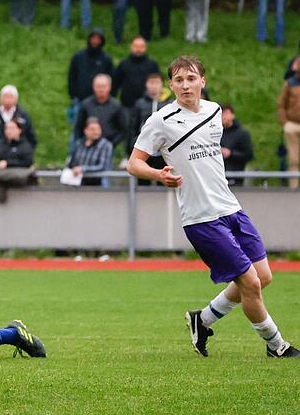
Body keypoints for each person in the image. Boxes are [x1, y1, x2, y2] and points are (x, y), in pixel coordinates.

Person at [128, 55, 299, 358]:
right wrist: (158, 174)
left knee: (264, 276)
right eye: (179, 80)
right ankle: (277, 346)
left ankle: (202, 319)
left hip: (231, 208)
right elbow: (134, 164)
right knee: (250, 284)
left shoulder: (214, 111)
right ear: (171, 85)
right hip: (201, 219)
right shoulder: (160, 121)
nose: (185, 85)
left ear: (202, 82)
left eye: (191, 78)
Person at [67, 29, 113, 125]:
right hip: (79, 100)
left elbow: (112, 79)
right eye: (93, 38)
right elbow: (72, 76)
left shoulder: (106, 59)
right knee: (77, 128)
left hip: (99, 102)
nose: (95, 41)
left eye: (98, 39)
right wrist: (73, 95)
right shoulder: (78, 57)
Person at [0, 85, 36, 162]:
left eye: (11, 97)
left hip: (18, 159)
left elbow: (31, 138)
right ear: (0, 98)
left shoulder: (23, 116)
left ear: (16, 99)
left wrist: (24, 153)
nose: (8, 100)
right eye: (5, 96)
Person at [75, 74, 127, 152]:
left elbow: (123, 129)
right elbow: (79, 127)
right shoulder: (85, 105)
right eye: (98, 86)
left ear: (109, 87)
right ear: (93, 86)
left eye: (103, 86)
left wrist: (111, 144)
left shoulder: (116, 106)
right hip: (88, 146)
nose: (101, 89)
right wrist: (82, 143)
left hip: (108, 146)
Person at [112, 36, 159, 109]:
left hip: (147, 105)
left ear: (145, 48)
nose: (138, 49)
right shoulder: (124, 64)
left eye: (141, 46)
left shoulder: (152, 65)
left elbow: (157, 84)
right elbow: (115, 84)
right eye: (136, 46)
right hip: (127, 105)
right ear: (131, 47)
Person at [68, 117, 113, 186]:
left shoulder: (106, 145)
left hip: (98, 183)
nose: (96, 132)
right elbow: (72, 162)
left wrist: (82, 169)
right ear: (85, 131)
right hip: (79, 181)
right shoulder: (79, 143)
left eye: (98, 129)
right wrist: (75, 168)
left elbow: (102, 166)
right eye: (92, 129)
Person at [277, 58, 300, 189]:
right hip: (292, 124)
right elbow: (281, 104)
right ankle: (294, 187)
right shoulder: (290, 84)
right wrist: (285, 123)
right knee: (293, 159)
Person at [219, 104, 253, 186]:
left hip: (235, 177)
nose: (223, 116)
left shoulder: (242, 134)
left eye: (226, 113)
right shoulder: (214, 134)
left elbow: (248, 155)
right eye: (221, 114)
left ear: (233, 115)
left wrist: (231, 154)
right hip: (217, 177)